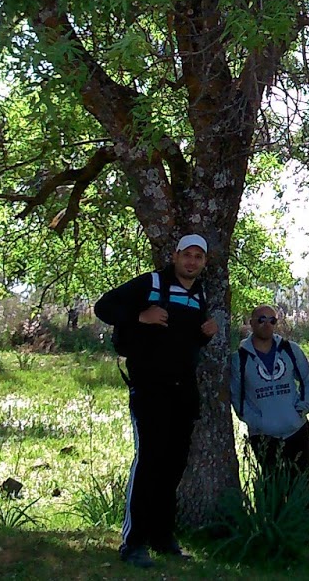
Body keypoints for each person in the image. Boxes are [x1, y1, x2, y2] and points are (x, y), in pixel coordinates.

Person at [93, 234, 219, 569]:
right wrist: (139, 317)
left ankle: (162, 537)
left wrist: (205, 333)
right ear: (175, 256)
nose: (192, 262)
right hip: (149, 389)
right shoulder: (150, 283)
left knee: (174, 465)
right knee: (148, 463)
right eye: (187, 255)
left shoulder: (200, 294)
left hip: (183, 390)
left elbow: (185, 341)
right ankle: (132, 543)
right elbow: (103, 307)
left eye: (198, 257)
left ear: (204, 262)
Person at [227, 304, 309, 499]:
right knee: (272, 488)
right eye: (261, 319)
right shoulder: (239, 360)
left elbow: (308, 380)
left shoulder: (290, 350)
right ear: (251, 323)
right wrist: (255, 422)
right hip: (263, 436)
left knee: (301, 486)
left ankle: (305, 528)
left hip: (296, 431)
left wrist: (303, 408)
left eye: (272, 320)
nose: (266, 324)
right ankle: (273, 527)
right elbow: (236, 397)